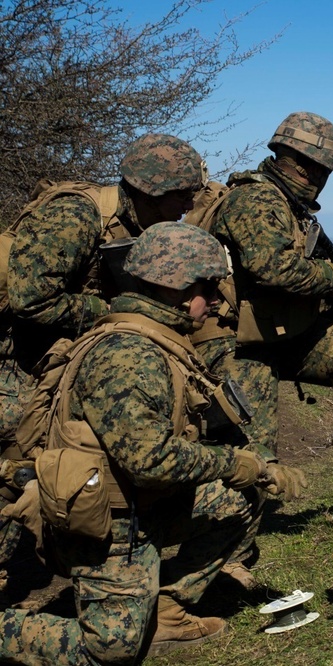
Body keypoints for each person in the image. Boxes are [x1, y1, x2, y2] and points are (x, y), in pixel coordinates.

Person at [0, 222, 281, 664]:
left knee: (242, 499)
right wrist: (235, 462)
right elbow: (150, 461)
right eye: (209, 288)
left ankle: (166, 609)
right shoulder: (129, 356)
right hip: (105, 527)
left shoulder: (158, 339)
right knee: (108, 654)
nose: (216, 302)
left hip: (144, 505)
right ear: (180, 289)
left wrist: (257, 467)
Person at [0, 132, 207, 590]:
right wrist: (106, 310)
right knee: (18, 448)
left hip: (50, 347)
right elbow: (30, 300)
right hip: (12, 350)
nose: (186, 209)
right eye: (181, 198)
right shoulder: (75, 215)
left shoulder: (136, 228)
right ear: (151, 192)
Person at [191, 111, 333, 586]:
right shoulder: (257, 199)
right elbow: (270, 268)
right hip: (232, 343)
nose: (321, 179)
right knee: (254, 449)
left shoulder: (290, 206)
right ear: (308, 164)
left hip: (273, 335)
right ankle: (225, 557)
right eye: (322, 169)